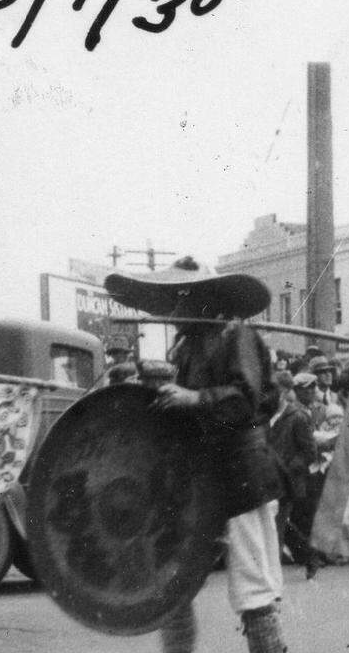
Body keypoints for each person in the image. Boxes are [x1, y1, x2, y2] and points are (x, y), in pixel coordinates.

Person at [106, 256, 287, 653]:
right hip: (201, 476)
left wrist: (195, 398)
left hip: (242, 473)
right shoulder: (188, 346)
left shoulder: (235, 336)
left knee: (252, 585)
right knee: (172, 579)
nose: (170, 312)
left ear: (200, 299)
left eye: (178, 301)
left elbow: (248, 402)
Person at [266, 371, 321, 580]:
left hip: (288, 481)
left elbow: (310, 452)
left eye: (276, 391)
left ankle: (273, 577)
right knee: (278, 524)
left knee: (277, 526)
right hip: (269, 479)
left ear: (285, 392)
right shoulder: (265, 416)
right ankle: (308, 555)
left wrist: (288, 468)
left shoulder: (297, 417)